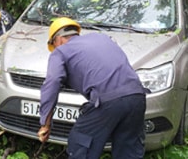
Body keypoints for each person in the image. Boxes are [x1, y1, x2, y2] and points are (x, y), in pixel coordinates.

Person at [37, 17, 148, 159]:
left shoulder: (61, 52)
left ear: (58, 40)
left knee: (80, 145)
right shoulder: (102, 38)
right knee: (128, 152)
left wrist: (45, 124)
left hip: (107, 102)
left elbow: (51, 84)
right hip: (137, 96)